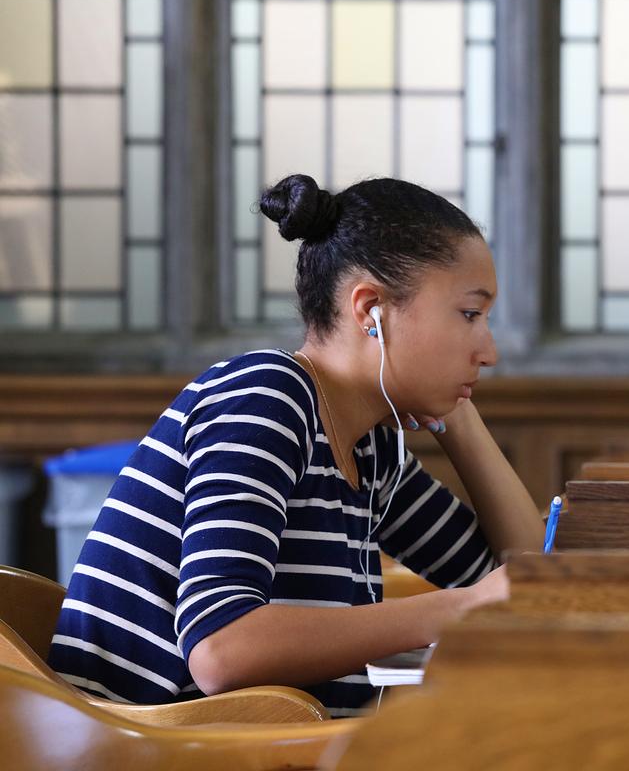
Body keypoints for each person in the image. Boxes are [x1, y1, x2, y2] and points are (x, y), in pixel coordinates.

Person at [49, 175, 544, 716]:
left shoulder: (369, 447)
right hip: (152, 751)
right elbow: (221, 649)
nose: (489, 351)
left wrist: (460, 418)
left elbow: (522, 578)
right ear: (370, 310)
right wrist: (460, 608)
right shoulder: (266, 397)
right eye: (470, 315)